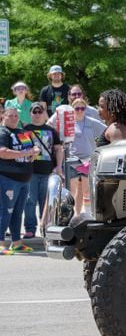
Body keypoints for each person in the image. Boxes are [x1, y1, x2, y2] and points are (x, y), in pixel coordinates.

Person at [48, 98, 106, 214]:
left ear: (85, 109)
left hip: (88, 160)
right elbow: (49, 124)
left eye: (82, 108)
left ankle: (87, 216)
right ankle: (72, 216)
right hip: (71, 160)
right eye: (76, 108)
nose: (79, 111)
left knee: (87, 191)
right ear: (72, 109)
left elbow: (107, 131)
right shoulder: (67, 121)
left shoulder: (91, 121)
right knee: (71, 191)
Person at [0, 107, 40, 255]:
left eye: (16, 116)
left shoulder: (21, 132)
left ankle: (16, 243)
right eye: (10, 116)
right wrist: (25, 153)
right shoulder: (2, 132)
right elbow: (2, 153)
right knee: (5, 211)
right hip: (8, 179)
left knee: (17, 213)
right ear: (3, 116)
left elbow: (32, 146)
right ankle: (1, 244)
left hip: (24, 180)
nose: (14, 118)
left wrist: (35, 150)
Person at [22, 102, 64, 239]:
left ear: (45, 113)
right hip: (30, 171)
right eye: (35, 111)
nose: (38, 114)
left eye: (40, 111)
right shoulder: (25, 129)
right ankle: (30, 228)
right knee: (30, 201)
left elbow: (58, 149)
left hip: (47, 171)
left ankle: (45, 228)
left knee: (46, 201)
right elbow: (21, 149)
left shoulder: (51, 130)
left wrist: (59, 167)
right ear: (30, 114)